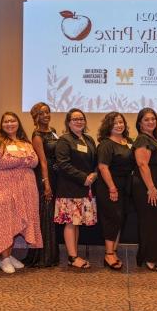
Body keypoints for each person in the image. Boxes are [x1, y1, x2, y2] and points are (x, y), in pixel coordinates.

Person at [0, 112, 43, 274]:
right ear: (1, 124)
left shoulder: (24, 142)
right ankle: (3, 259)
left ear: (18, 123)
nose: (10, 124)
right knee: (5, 222)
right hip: (1, 186)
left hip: (24, 189)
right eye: (6, 121)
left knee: (16, 220)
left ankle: (9, 255)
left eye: (13, 121)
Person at [54, 108, 98, 269]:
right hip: (70, 188)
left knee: (77, 222)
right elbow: (63, 164)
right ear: (68, 122)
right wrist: (83, 178)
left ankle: (74, 254)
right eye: (75, 119)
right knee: (71, 223)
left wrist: (94, 174)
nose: (79, 121)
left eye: (81, 118)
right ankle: (72, 257)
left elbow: (96, 162)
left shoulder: (88, 139)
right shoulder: (64, 140)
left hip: (86, 188)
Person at [23, 102, 60, 268]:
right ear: (36, 116)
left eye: (48, 112)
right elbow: (43, 161)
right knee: (45, 214)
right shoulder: (37, 135)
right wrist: (46, 184)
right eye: (42, 113)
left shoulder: (53, 132)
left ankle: (51, 255)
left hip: (56, 175)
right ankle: (42, 256)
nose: (46, 115)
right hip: (45, 177)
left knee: (51, 215)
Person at [96, 112, 133, 271]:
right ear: (108, 126)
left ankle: (114, 250)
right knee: (112, 219)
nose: (119, 125)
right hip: (110, 186)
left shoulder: (128, 142)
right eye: (115, 123)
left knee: (121, 219)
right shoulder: (106, 144)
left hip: (126, 186)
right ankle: (108, 254)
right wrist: (112, 188)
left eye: (121, 122)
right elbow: (103, 167)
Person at [132, 108, 157, 271]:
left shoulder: (154, 138)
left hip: (156, 184)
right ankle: (148, 257)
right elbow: (142, 164)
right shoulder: (142, 140)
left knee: (156, 222)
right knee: (150, 222)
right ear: (140, 123)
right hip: (147, 187)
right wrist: (151, 188)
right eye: (146, 119)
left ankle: (152, 255)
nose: (151, 122)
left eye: (153, 119)